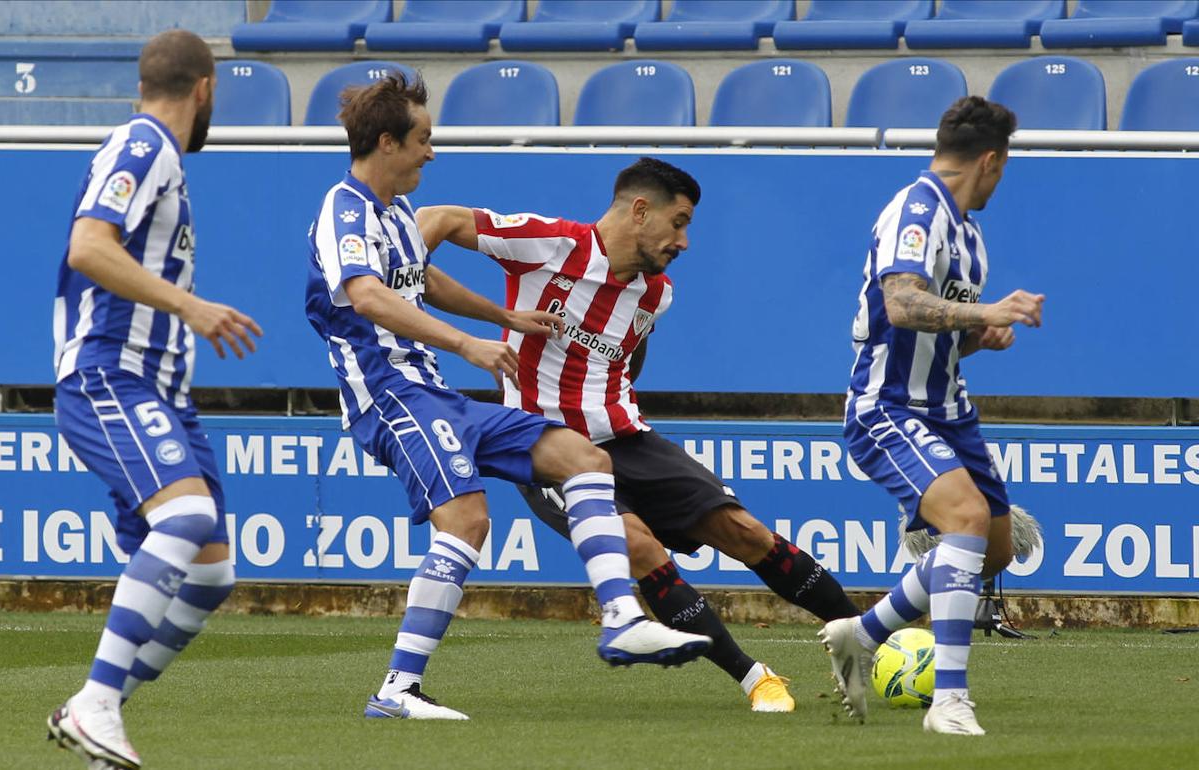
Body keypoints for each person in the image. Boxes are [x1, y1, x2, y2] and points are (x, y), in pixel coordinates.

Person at [304, 76, 711, 722]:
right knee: (467, 521)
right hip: (389, 396)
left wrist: (505, 317)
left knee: (584, 460)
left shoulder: (396, 217)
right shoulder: (343, 209)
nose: (431, 153)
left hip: (432, 393)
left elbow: (421, 279)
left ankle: (622, 616)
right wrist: (469, 344)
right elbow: (368, 295)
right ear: (387, 143)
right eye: (423, 139)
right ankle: (397, 691)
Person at [418, 157, 861, 714]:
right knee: (640, 547)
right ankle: (756, 678)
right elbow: (435, 217)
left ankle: (868, 642)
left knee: (744, 532)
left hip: (627, 438)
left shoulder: (657, 293)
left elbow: (630, 350)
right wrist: (400, 282)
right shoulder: (551, 244)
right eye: (678, 223)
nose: (684, 241)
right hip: (548, 449)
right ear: (641, 210)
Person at [45, 30, 262, 769]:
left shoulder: (155, 155)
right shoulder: (145, 146)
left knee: (209, 571)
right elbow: (88, 247)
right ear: (205, 89)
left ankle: (92, 712)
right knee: (189, 517)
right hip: (110, 373)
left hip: (162, 392)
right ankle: (97, 703)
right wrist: (192, 308)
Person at [820, 96, 1043, 736]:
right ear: (992, 160)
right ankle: (949, 701)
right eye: (1005, 165)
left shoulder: (967, 232)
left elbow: (941, 329)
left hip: (951, 411)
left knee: (992, 550)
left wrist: (981, 334)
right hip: (888, 406)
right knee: (966, 519)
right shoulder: (915, 210)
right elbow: (901, 304)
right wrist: (986, 312)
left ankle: (861, 635)